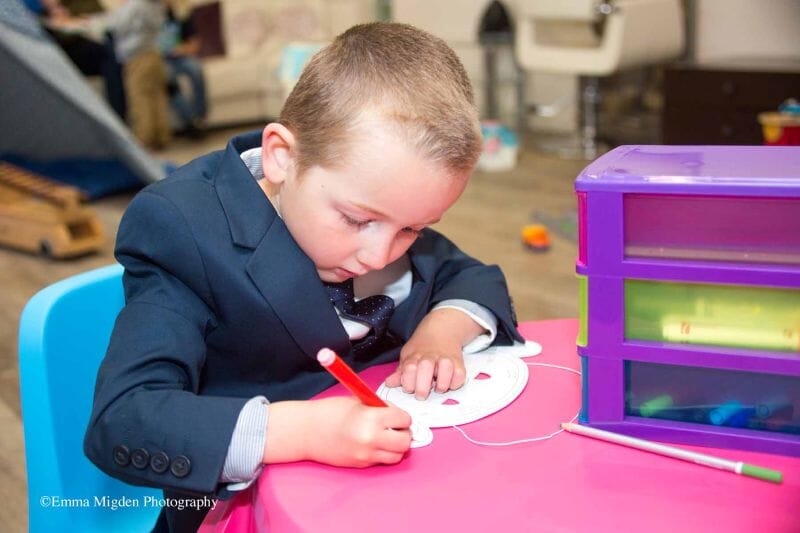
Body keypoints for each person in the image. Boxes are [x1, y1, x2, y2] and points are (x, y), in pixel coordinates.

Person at [84, 22, 523, 532]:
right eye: (356, 220)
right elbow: (124, 418)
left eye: (412, 229)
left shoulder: (380, 200)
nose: (379, 254)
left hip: (386, 496)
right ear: (281, 157)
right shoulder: (183, 232)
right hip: (246, 510)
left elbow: (468, 276)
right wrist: (297, 432)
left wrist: (440, 331)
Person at [159, 0, 208, 137]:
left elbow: (194, 44)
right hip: (160, 61)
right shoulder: (150, 18)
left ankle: (199, 117)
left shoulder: (182, 15)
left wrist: (181, 49)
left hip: (181, 57)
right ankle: (191, 121)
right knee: (167, 79)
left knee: (195, 69)